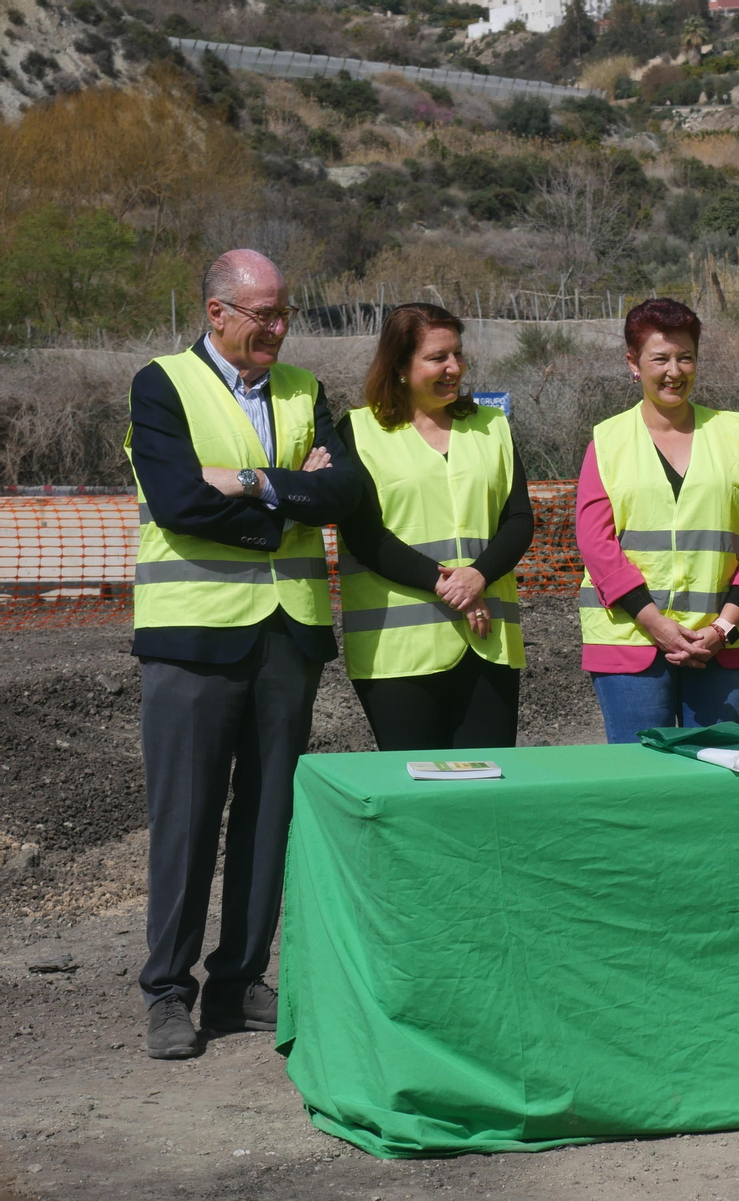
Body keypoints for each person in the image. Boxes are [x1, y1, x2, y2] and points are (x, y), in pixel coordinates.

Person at [125, 249, 360, 1060]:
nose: (277, 328)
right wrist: (292, 491)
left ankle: (239, 980)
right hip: (193, 636)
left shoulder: (305, 391)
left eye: (283, 312)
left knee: (269, 814)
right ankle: (166, 991)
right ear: (216, 312)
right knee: (185, 817)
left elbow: (347, 492)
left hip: (286, 633)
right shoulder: (161, 385)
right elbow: (180, 500)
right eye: (261, 313)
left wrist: (254, 482)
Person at [577, 298, 739, 743]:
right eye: (660, 358)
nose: (674, 370)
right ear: (633, 363)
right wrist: (654, 623)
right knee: (639, 781)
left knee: (717, 778)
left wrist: (722, 628)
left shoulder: (735, 436)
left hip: (720, 647)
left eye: (685, 357)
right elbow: (596, 544)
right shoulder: (607, 441)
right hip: (629, 642)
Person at [335, 303, 533, 751]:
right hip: (399, 653)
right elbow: (365, 537)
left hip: (488, 644)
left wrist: (479, 575)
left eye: (458, 355)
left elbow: (518, 519)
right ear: (400, 366)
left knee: (486, 787)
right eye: (437, 357)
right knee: (417, 794)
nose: (453, 368)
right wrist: (451, 586)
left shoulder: (492, 426)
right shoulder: (358, 431)